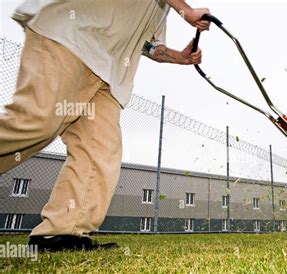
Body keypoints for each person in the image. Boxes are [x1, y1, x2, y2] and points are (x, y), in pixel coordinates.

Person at [0, 0, 210, 251]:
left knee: (100, 149)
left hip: (110, 75)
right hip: (69, 37)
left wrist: (179, 57)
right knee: (35, 123)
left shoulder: (159, 7)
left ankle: (62, 232)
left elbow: (147, 44)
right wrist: (185, 10)